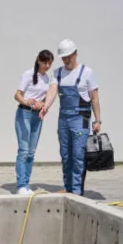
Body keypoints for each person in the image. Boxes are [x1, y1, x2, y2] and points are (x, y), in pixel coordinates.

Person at [40, 39, 101, 195]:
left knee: (78, 155)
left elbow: (94, 98)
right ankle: (68, 188)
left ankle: (76, 191)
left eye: (69, 56)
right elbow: (52, 91)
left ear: (75, 54)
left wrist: (98, 120)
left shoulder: (87, 72)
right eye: (64, 57)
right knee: (66, 155)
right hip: (64, 118)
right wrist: (46, 106)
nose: (66, 60)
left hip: (82, 117)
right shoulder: (58, 73)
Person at [14, 50, 54, 195]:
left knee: (31, 152)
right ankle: (21, 185)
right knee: (23, 150)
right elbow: (17, 95)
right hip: (24, 113)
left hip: (37, 116)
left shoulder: (46, 78)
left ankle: (26, 183)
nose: (47, 65)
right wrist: (26, 101)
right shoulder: (28, 74)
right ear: (38, 60)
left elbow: (45, 97)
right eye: (45, 62)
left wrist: (42, 104)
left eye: (49, 63)